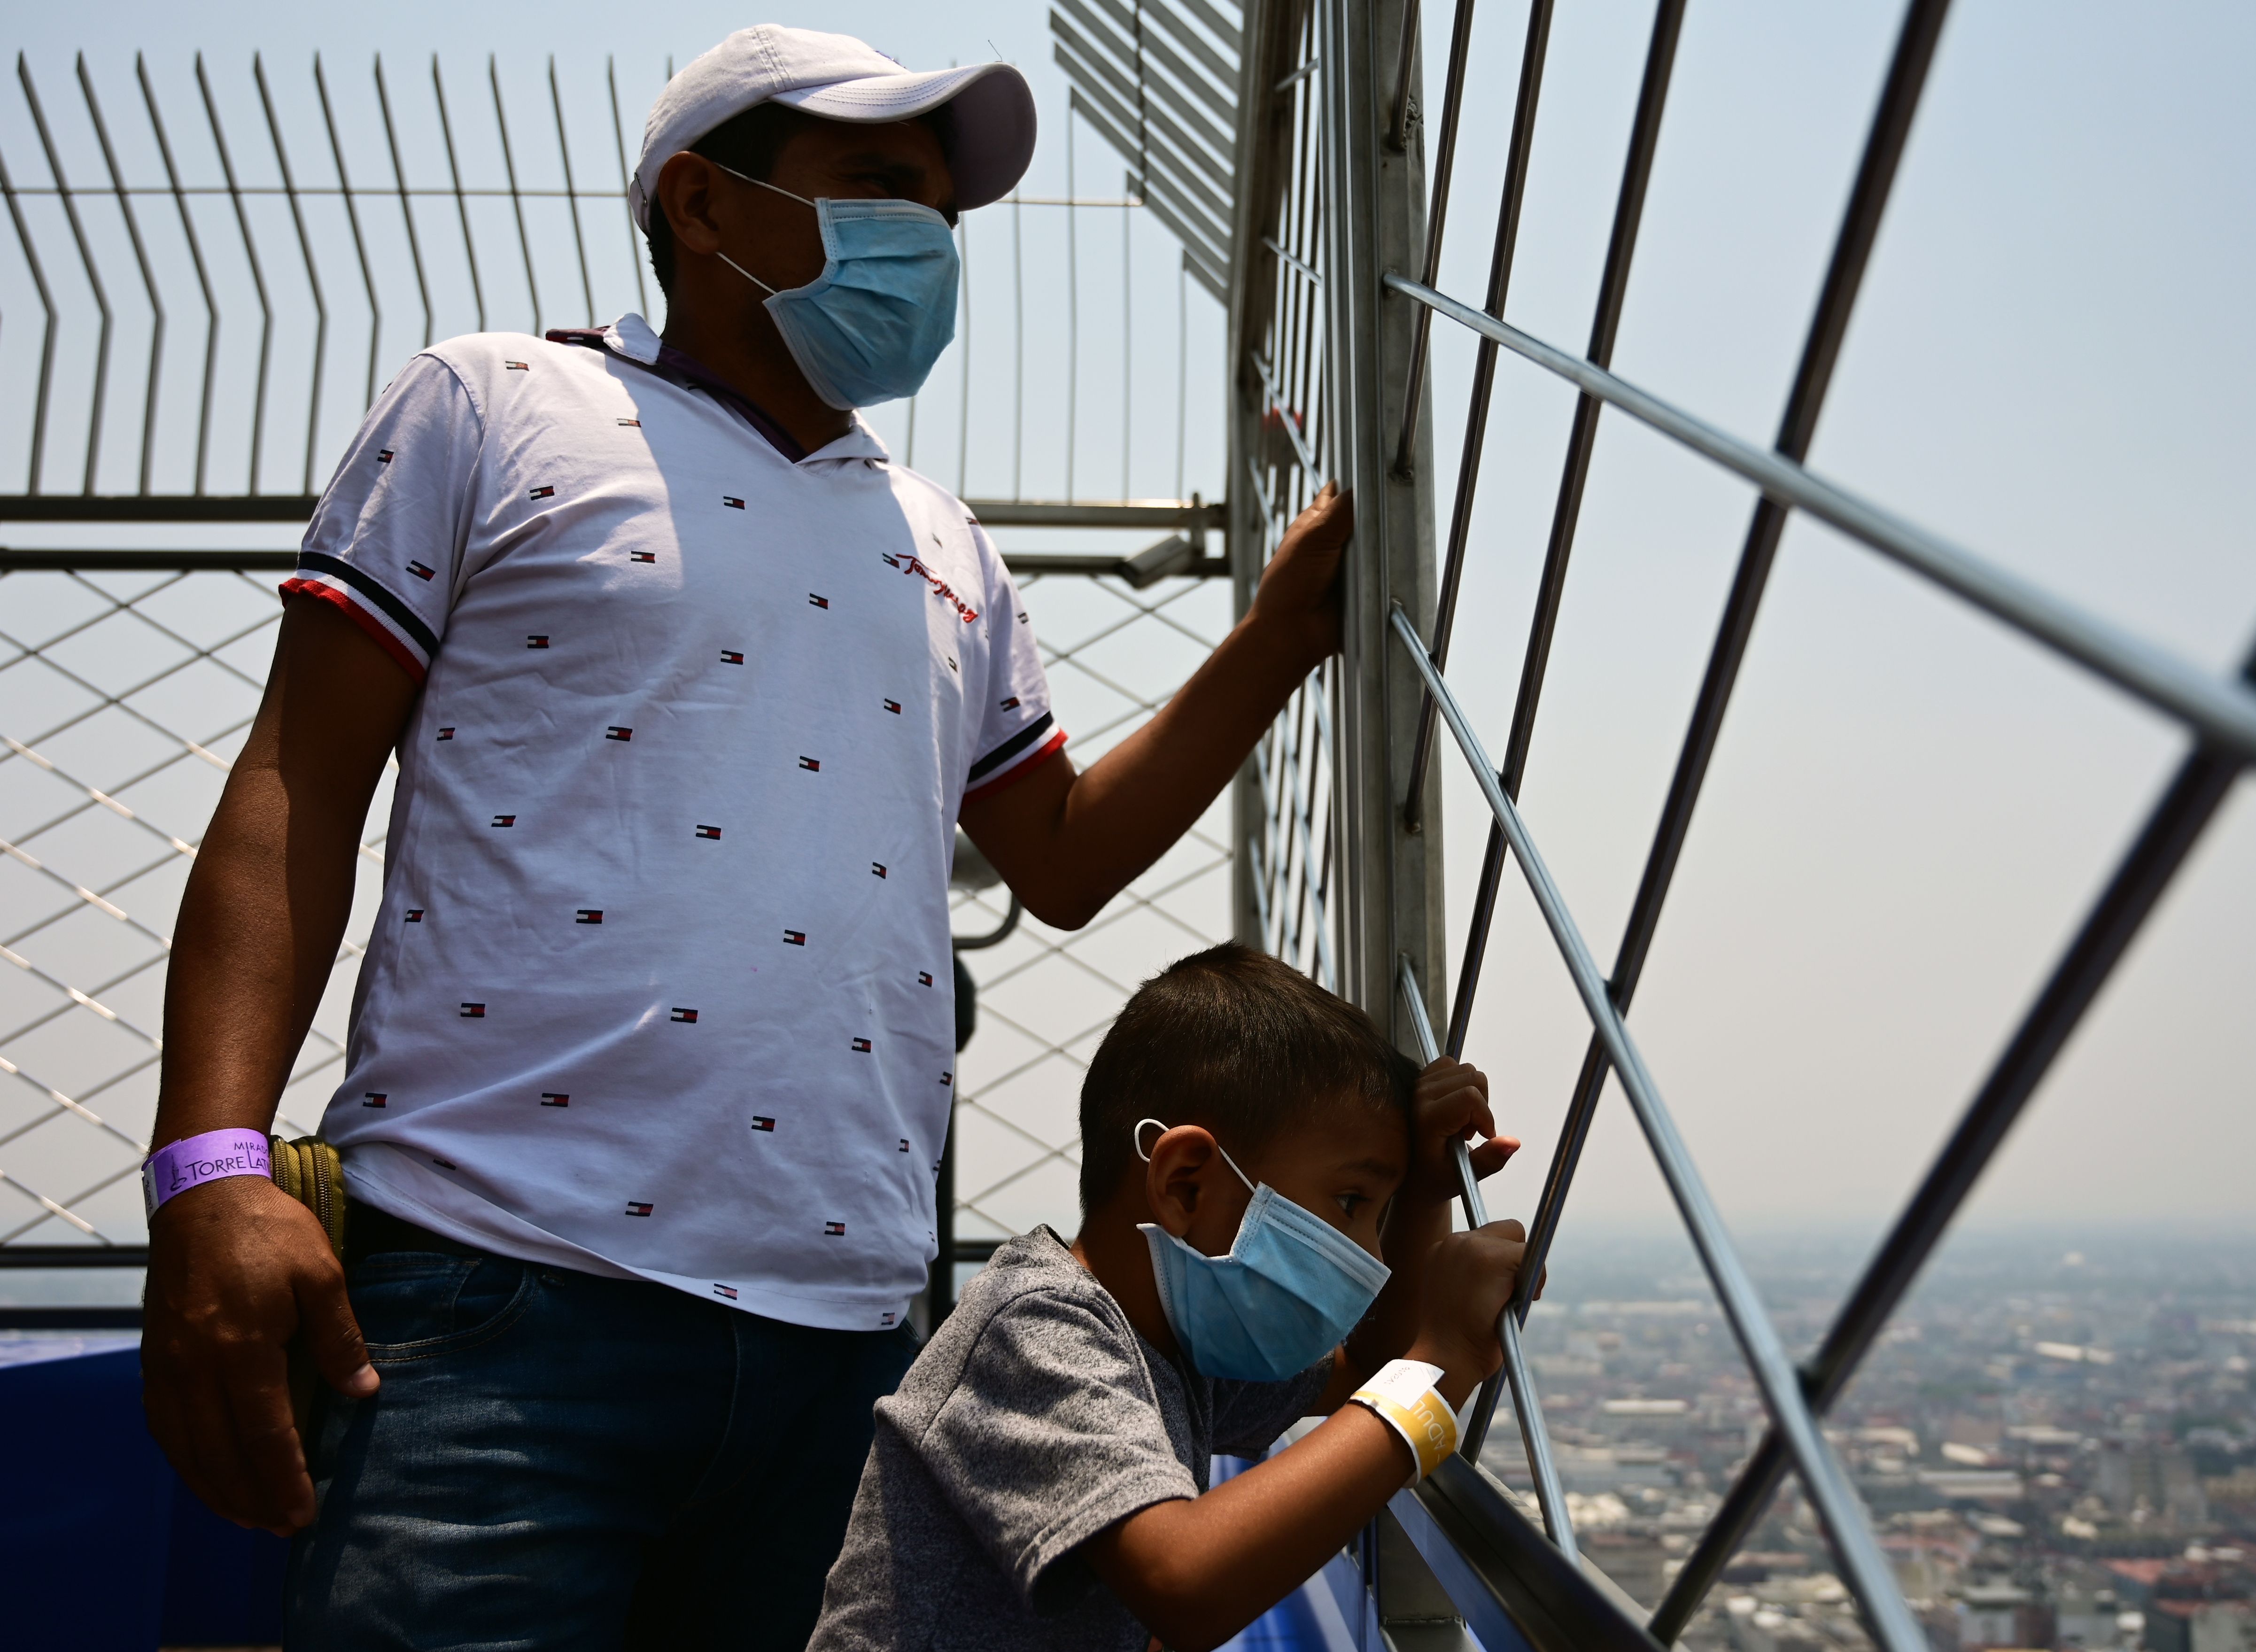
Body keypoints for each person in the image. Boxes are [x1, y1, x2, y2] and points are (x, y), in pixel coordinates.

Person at [136, 25, 1354, 1650]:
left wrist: (1275, 639)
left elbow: (1053, 849)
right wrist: (209, 1165)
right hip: (500, 1301)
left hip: (842, 1342)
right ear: (702, 203)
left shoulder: (941, 538)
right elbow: (296, 787)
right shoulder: (497, 402)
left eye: (941, 210)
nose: (927, 242)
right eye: (879, 187)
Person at [809, 945, 1530, 1652]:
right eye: (1351, 1200)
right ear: (1186, 1183)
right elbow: (1186, 1582)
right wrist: (1446, 1358)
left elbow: (1368, 1368)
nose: (1370, 1255)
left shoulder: (1174, 1346)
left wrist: (1427, 1200)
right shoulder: (1036, 1327)